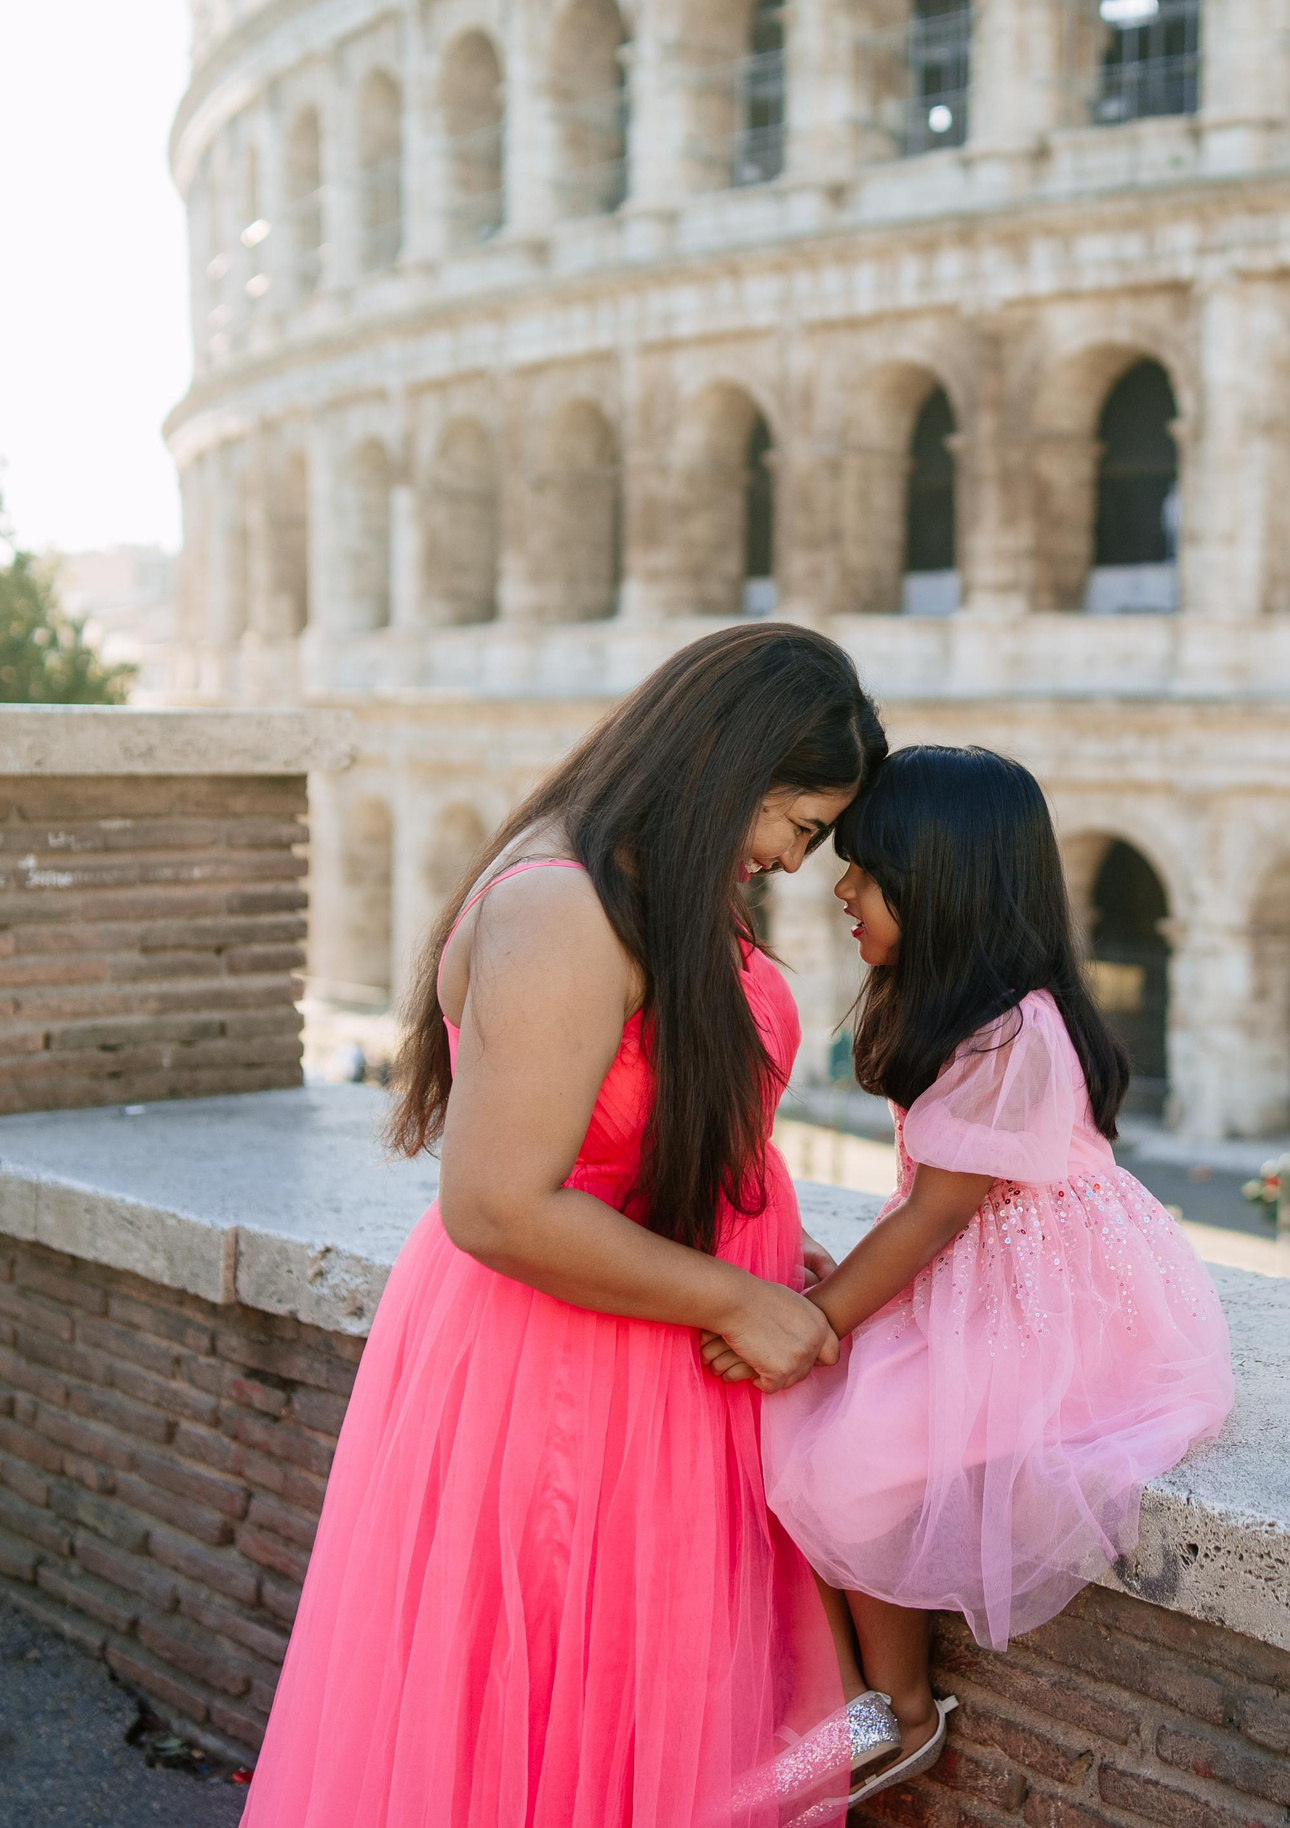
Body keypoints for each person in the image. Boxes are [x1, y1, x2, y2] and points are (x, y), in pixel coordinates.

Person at [243, 626, 887, 1828]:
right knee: (557, 1717)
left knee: (669, 1715)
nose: (794, 863)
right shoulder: (561, 908)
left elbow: (655, 1136)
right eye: (796, 825)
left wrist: (767, 1246)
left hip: (671, 1364)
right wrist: (739, 1295)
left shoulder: (657, 888)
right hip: (570, 1375)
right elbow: (496, 1205)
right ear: (729, 766)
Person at [751, 747, 1234, 1806]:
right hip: (977, 1277)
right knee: (787, 1432)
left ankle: (898, 1708)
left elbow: (933, 1217)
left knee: (856, 1460)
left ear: (943, 886)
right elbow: (925, 1213)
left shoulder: (1018, 1032)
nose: (839, 889)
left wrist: (814, 1318)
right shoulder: (956, 1012)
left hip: (1052, 1306)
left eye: (866, 872)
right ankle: (842, 1698)